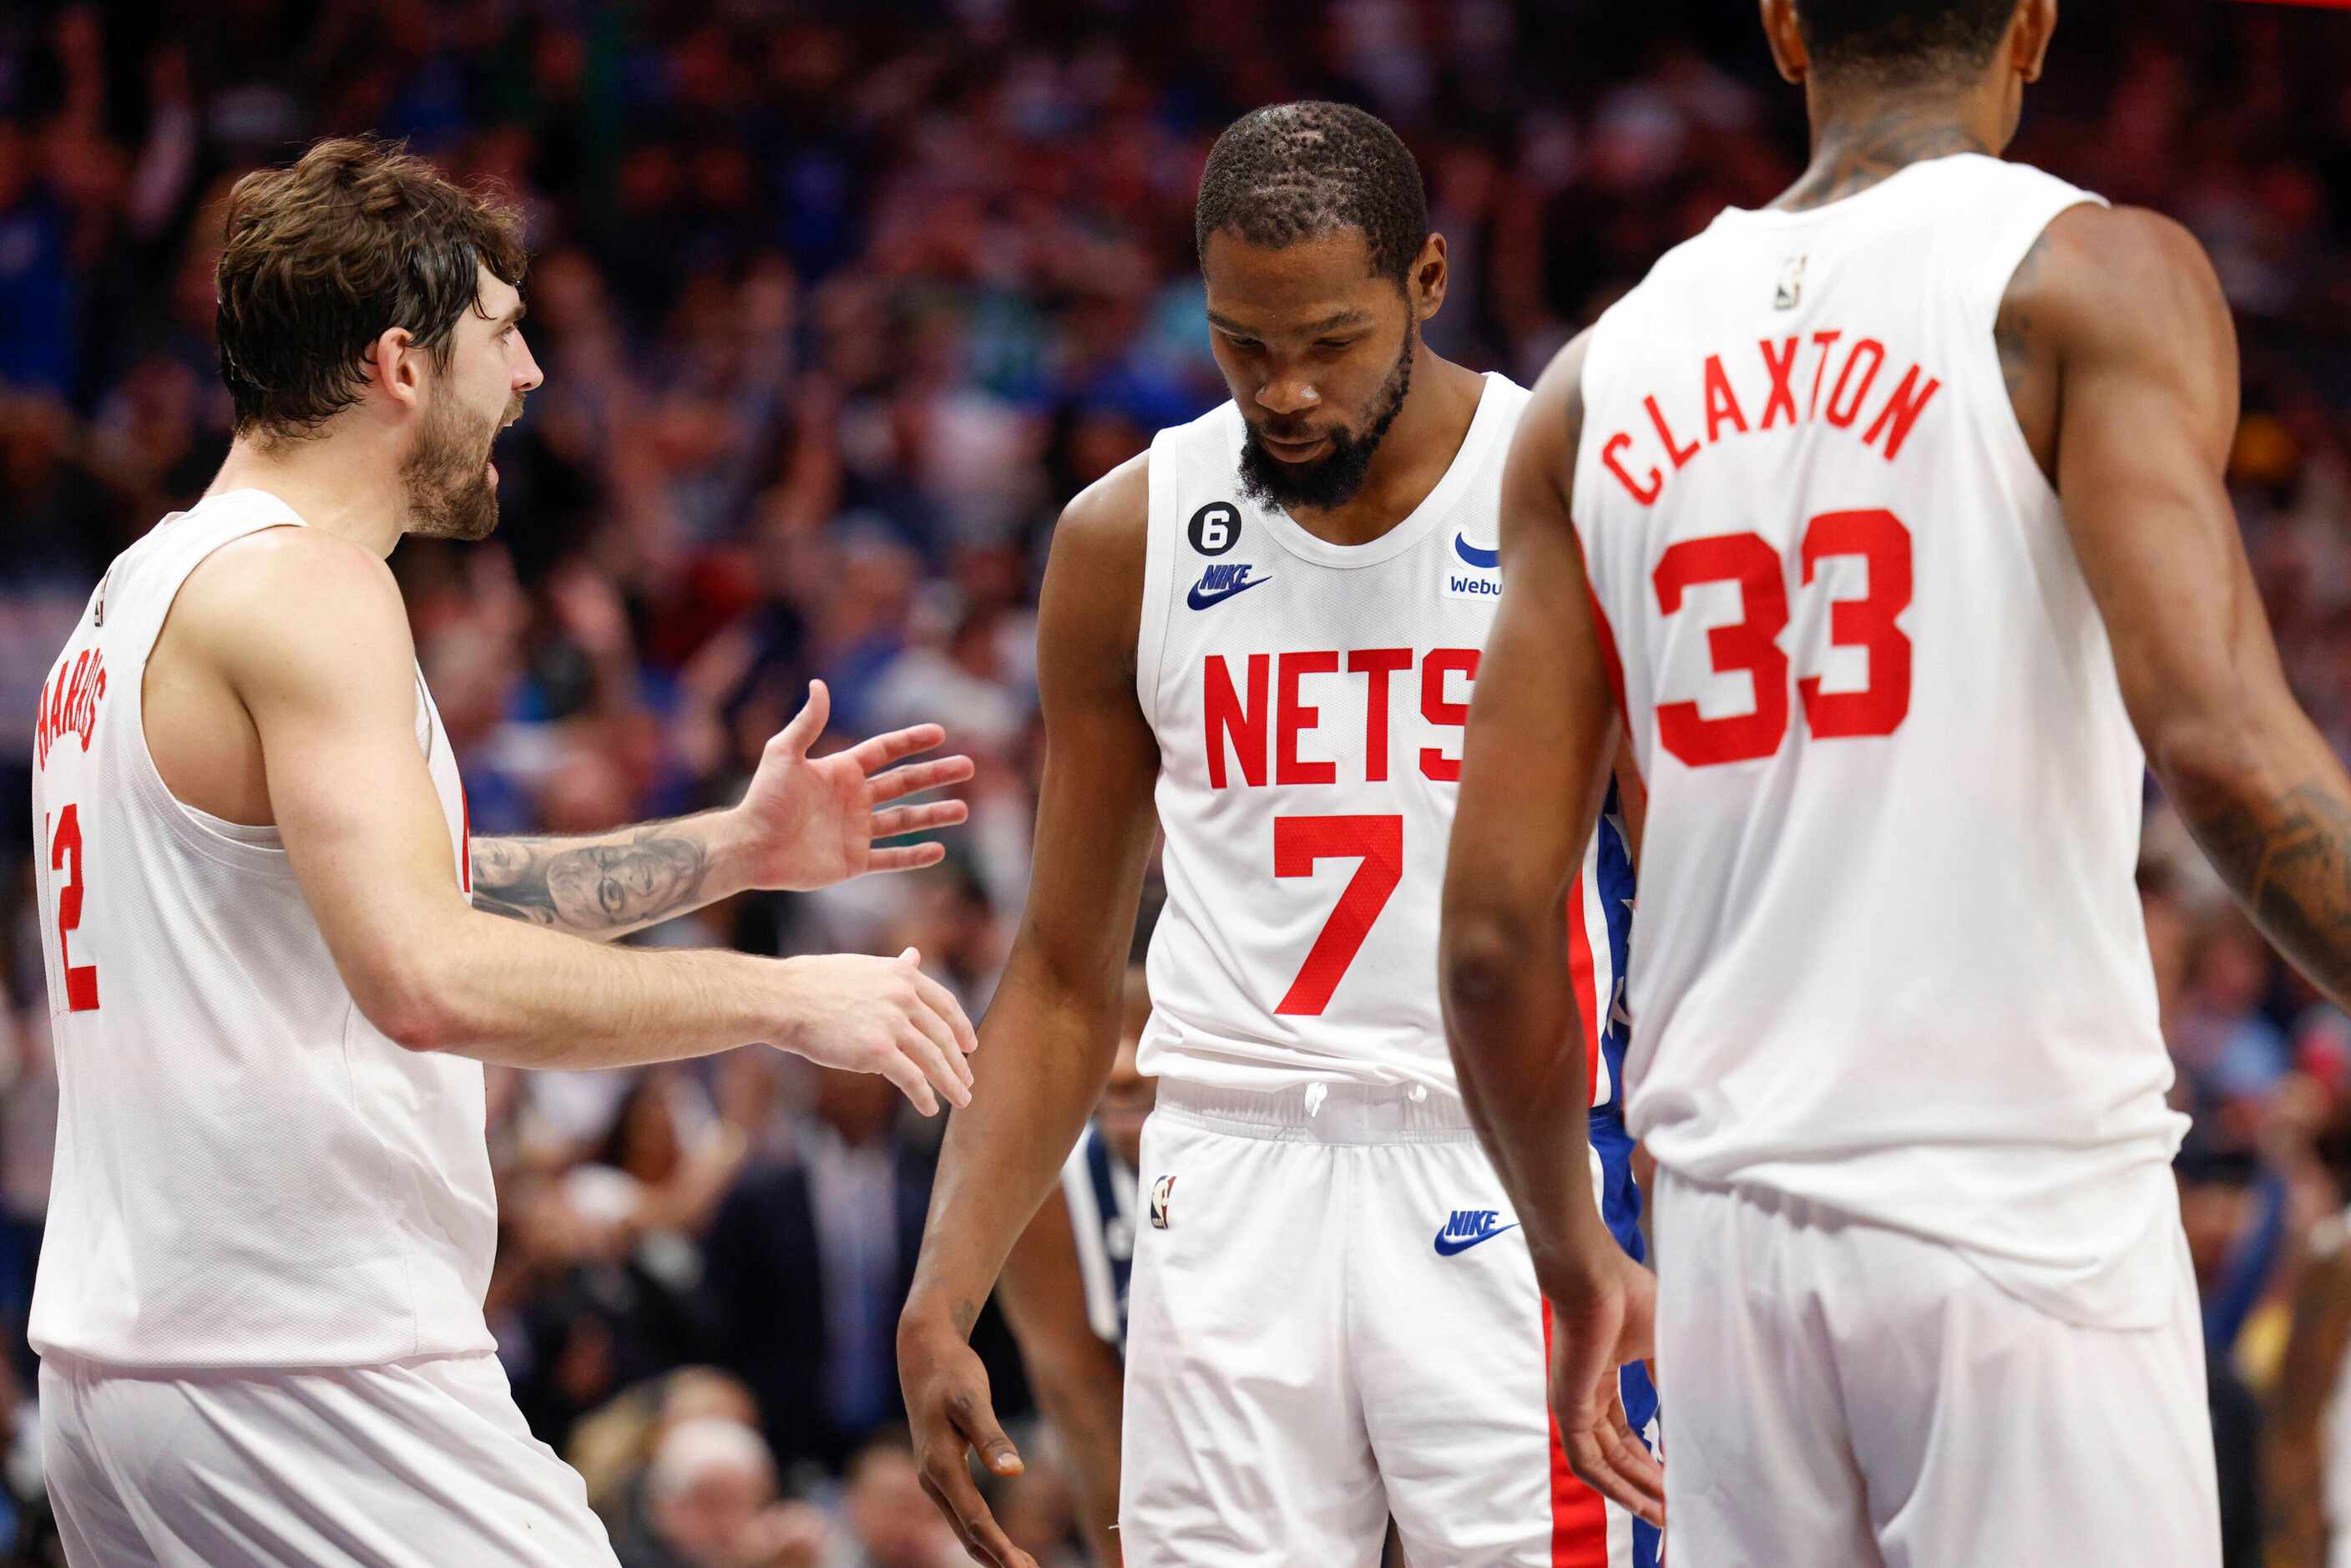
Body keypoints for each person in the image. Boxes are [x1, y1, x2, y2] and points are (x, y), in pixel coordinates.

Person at [1433, 0, 2351, 1559]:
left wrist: (1578, 1257)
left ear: (1784, 28)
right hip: (2015, 1207)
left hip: (1727, 1247)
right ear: (2038, 24)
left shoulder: (1593, 383)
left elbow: (1491, 940)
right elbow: (2223, 752)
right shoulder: (2086, 274)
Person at [24, 136, 980, 1568]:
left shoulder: (142, 588)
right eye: (504, 333)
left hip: (129, 1363)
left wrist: (730, 849)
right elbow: (421, 972)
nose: (531, 376)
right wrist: (793, 1001)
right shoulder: (312, 586)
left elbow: (397, 889)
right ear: (401, 364)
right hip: (309, 1361)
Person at [897, 102, 1656, 1568]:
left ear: (1428, 285)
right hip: (1228, 1175)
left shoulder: (1572, 492)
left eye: (1331, 340)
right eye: (1244, 343)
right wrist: (946, 1284)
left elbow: (1683, 901)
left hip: (1510, 1169)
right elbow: (1062, 970)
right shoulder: (1128, 537)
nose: (1286, 389)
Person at [993, 965, 1155, 1566]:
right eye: (1110, 1031)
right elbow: (1097, 1449)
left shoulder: (1306, 1165)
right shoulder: (1053, 1202)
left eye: (1158, 1026)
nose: (1122, 1067)